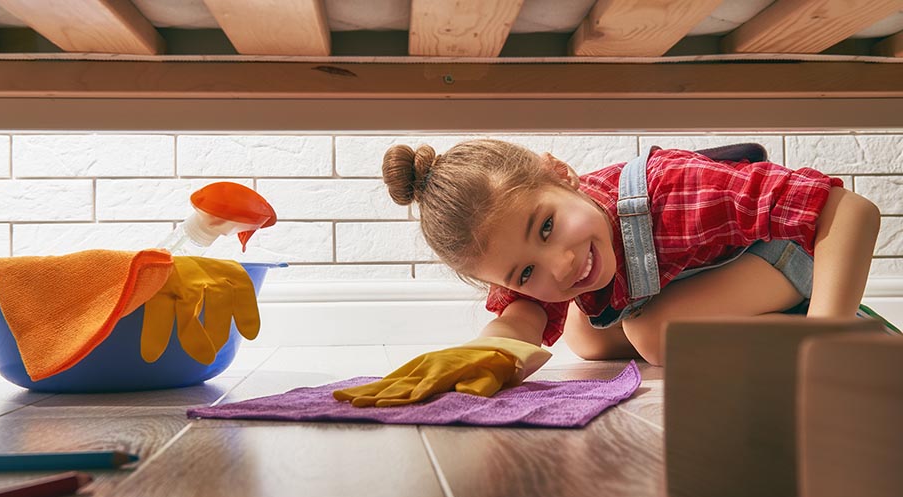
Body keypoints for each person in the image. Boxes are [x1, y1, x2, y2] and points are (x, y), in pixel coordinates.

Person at [333, 139, 883, 407]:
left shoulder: (675, 190)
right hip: (710, 271)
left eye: (547, 227)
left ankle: (843, 333)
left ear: (561, 174)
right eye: (525, 271)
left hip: (797, 250)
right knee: (584, 333)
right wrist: (485, 353)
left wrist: (825, 331)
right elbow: (521, 319)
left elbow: (849, 211)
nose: (561, 266)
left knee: (651, 333)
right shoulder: (539, 260)